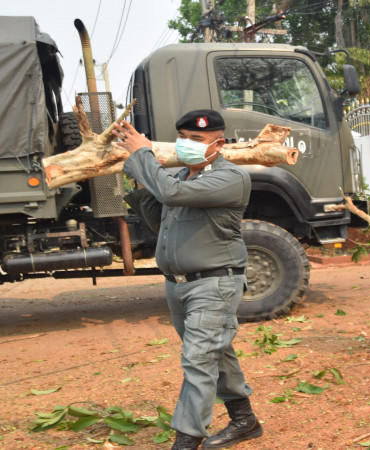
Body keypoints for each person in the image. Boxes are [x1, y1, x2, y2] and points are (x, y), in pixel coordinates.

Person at [113, 110, 262, 450]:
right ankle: (245, 420)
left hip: (214, 284)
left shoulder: (231, 177)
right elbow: (157, 219)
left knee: (198, 360)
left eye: (197, 139)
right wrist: (143, 179)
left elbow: (171, 195)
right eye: (182, 137)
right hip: (178, 285)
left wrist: (142, 156)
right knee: (214, 352)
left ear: (218, 143)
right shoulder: (179, 177)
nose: (186, 144)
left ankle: (186, 440)